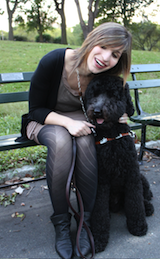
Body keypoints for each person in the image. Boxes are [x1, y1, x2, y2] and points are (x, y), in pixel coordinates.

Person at [21, 22, 132, 259]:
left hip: (80, 122)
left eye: (115, 54)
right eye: (102, 46)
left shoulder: (105, 76)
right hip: (44, 120)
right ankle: (61, 224)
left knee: (84, 141)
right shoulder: (54, 61)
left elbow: (116, 99)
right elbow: (35, 109)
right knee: (62, 141)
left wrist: (120, 113)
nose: (105, 57)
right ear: (92, 40)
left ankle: (86, 220)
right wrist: (68, 123)